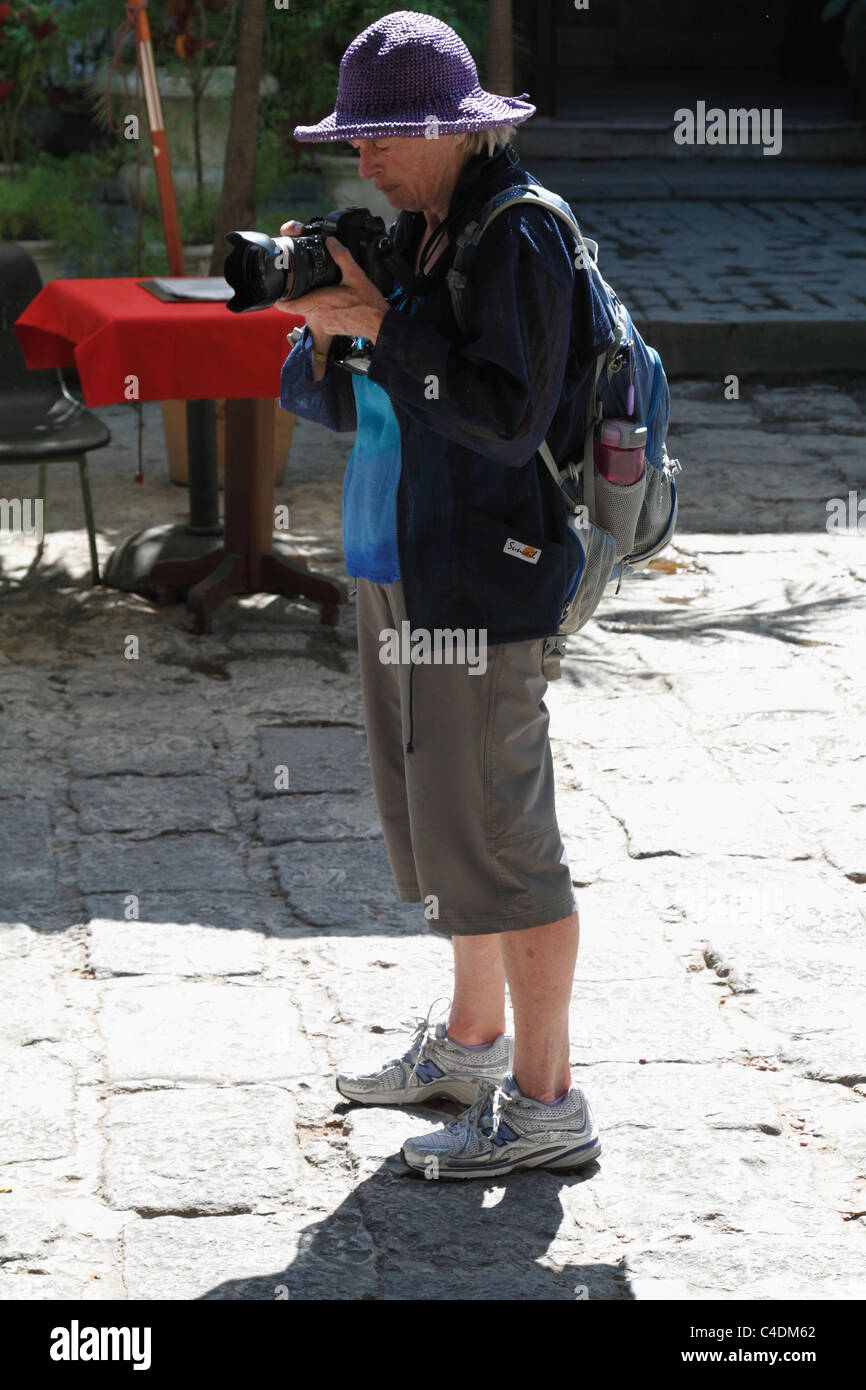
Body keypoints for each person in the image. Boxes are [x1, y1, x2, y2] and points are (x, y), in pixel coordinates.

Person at [278, 10, 613, 1178]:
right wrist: (327, 331)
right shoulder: (423, 228)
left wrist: (383, 323)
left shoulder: (514, 235)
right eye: (350, 139)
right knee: (440, 834)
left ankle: (545, 1105)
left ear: (441, 129)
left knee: (508, 844)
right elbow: (332, 405)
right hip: (394, 562)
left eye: (374, 137)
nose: (357, 158)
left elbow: (506, 420)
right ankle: (470, 1049)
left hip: (478, 579)